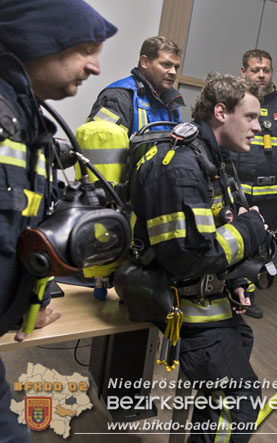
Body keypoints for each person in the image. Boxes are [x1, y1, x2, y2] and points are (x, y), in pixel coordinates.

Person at [128, 73, 270, 442]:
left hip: (210, 298)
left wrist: (237, 280)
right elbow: (186, 260)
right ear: (221, 112)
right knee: (238, 402)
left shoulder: (213, 159)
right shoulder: (180, 168)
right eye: (251, 117)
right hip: (182, 305)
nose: (259, 127)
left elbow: (217, 226)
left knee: (234, 363)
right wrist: (250, 230)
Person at [0, 0, 116, 440]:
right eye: (85, 49)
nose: (95, 67)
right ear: (37, 39)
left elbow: (20, 232)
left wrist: (34, 294)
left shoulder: (28, 121)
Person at [230, 49, 277, 318]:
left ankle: (247, 297)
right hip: (236, 193)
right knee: (230, 243)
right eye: (255, 70)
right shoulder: (232, 101)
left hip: (271, 197)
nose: (261, 75)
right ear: (243, 72)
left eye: (266, 70)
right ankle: (224, 293)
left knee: (262, 248)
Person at [77, 36, 185, 185]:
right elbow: (102, 155)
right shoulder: (119, 97)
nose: (173, 72)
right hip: (118, 197)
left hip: (154, 193)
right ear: (144, 62)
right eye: (166, 64)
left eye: (176, 67)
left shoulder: (171, 103)